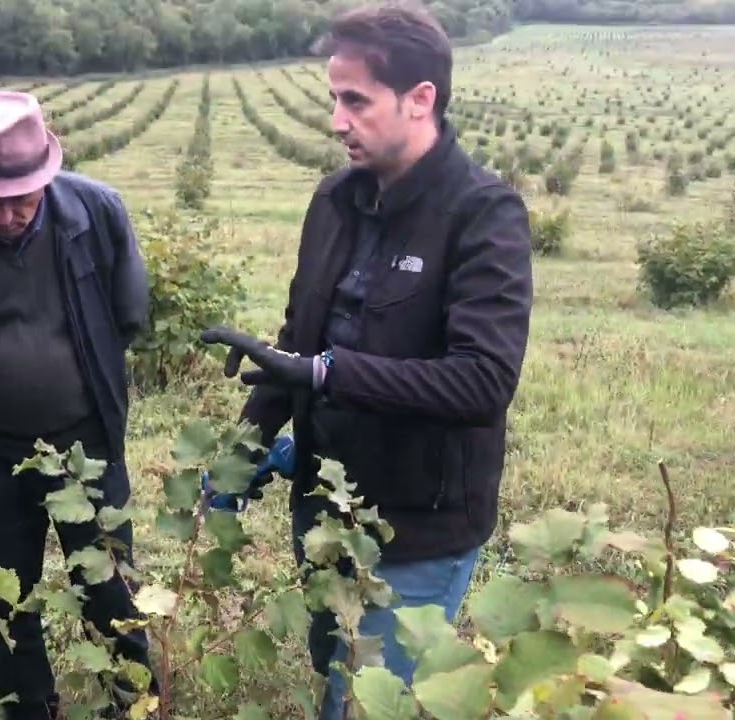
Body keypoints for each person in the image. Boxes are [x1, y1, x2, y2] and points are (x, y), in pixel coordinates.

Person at [200, 3, 534, 717]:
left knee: (367, 699)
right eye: (333, 99)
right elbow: (294, 341)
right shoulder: (335, 201)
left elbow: (483, 381)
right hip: (325, 505)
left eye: (356, 101)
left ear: (421, 100)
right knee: (333, 665)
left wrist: (329, 373)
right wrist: (240, 453)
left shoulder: (482, 215)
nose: (337, 121)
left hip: (417, 525)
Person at [0, 90, 156, 720]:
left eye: (22, 196)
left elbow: (127, 314)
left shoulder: (96, 212)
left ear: (47, 174)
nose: (7, 212)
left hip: (86, 440)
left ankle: (129, 701)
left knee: (108, 578)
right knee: (6, 591)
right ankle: (29, 706)